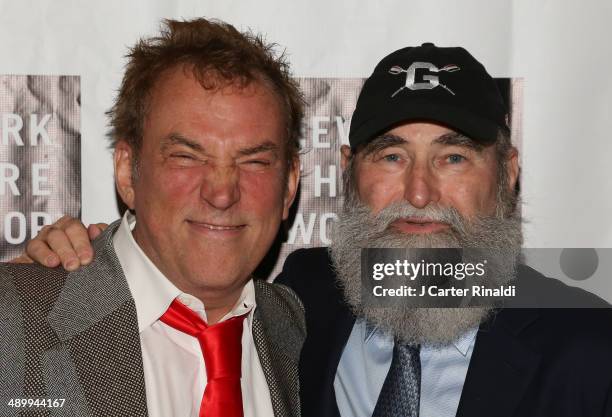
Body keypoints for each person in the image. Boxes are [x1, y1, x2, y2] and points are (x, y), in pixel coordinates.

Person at [19, 44, 612, 417]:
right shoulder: (306, 299)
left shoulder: (588, 349)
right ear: (351, 174)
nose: (421, 192)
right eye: (391, 156)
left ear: (506, 174)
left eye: (453, 158)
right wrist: (64, 268)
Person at [0, 18, 306, 417]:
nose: (222, 192)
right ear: (128, 172)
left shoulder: (296, 326)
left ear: (289, 186)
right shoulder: (12, 320)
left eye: (254, 161)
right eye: (186, 157)